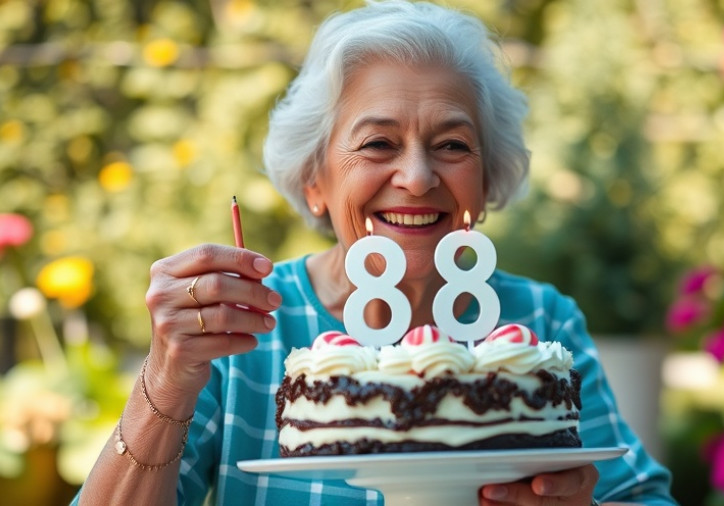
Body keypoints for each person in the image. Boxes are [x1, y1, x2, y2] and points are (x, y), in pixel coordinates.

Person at [73, 1, 675, 504]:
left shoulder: (541, 323)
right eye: (379, 142)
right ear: (315, 182)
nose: (416, 176)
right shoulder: (240, 331)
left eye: (453, 145)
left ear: (487, 185)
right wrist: (168, 377)